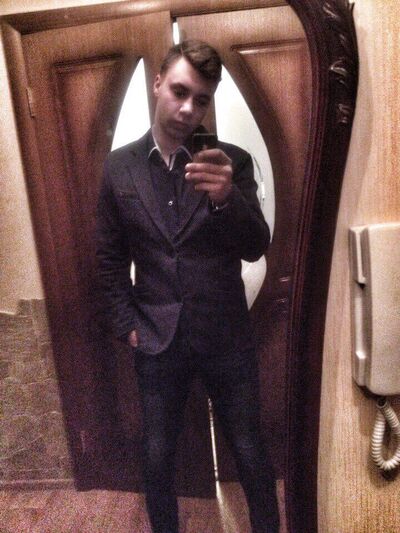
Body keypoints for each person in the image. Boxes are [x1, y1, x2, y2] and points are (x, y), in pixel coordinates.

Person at [96, 39, 279, 533]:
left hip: (227, 337)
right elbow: (110, 257)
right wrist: (128, 325)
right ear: (158, 84)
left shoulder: (231, 162)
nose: (187, 109)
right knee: (157, 457)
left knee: (250, 450)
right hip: (157, 339)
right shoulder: (120, 167)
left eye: (201, 99)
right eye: (179, 92)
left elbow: (255, 246)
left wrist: (227, 200)